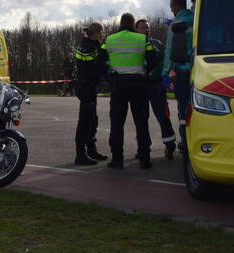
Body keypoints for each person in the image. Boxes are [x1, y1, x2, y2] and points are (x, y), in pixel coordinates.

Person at [102, 12, 159, 169]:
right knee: (141, 122)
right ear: (134, 24)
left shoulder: (109, 39)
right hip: (138, 83)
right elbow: (154, 60)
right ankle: (144, 159)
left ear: (120, 23)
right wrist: (145, 72)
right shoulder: (142, 39)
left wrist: (109, 76)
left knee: (117, 123)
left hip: (118, 84)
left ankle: (117, 160)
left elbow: (99, 61)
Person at [136, 19, 178, 160]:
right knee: (141, 119)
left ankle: (170, 145)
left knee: (162, 115)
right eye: (143, 28)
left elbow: (166, 60)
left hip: (156, 86)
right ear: (136, 29)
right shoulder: (133, 45)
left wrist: (164, 75)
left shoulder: (157, 44)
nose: (146, 30)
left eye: (147, 28)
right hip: (140, 87)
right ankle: (143, 149)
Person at [72, 22, 109, 165]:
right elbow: (96, 68)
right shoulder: (87, 48)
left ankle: (91, 150)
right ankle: (80, 154)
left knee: (93, 120)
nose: (103, 35)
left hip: (90, 86)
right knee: (85, 121)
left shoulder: (92, 46)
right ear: (96, 33)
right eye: (101, 32)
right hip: (86, 87)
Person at [164, 0, 195, 153]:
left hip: (182, 72)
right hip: (200, 71)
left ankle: (185, 140)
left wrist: (165, 73)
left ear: (176, 6)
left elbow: (170, 51)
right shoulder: (198, 19)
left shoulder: (176, 24)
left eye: (171, 8)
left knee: (183, 107)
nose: (171, 11)